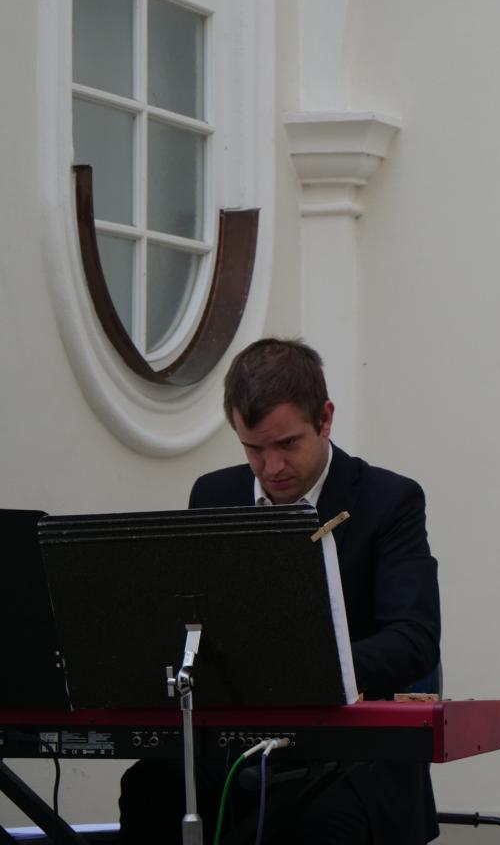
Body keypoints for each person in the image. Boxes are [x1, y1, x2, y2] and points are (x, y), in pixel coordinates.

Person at [119, 338, 442, 845]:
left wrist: (306, 672)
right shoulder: (214, 495)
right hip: (237, 747)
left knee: (309, 825)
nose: (271, 468)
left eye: (288, 444)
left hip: (351, 755)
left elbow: (413, 639)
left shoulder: (389, 500)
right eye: (253, 448)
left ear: (325, 419)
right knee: (149, 788)